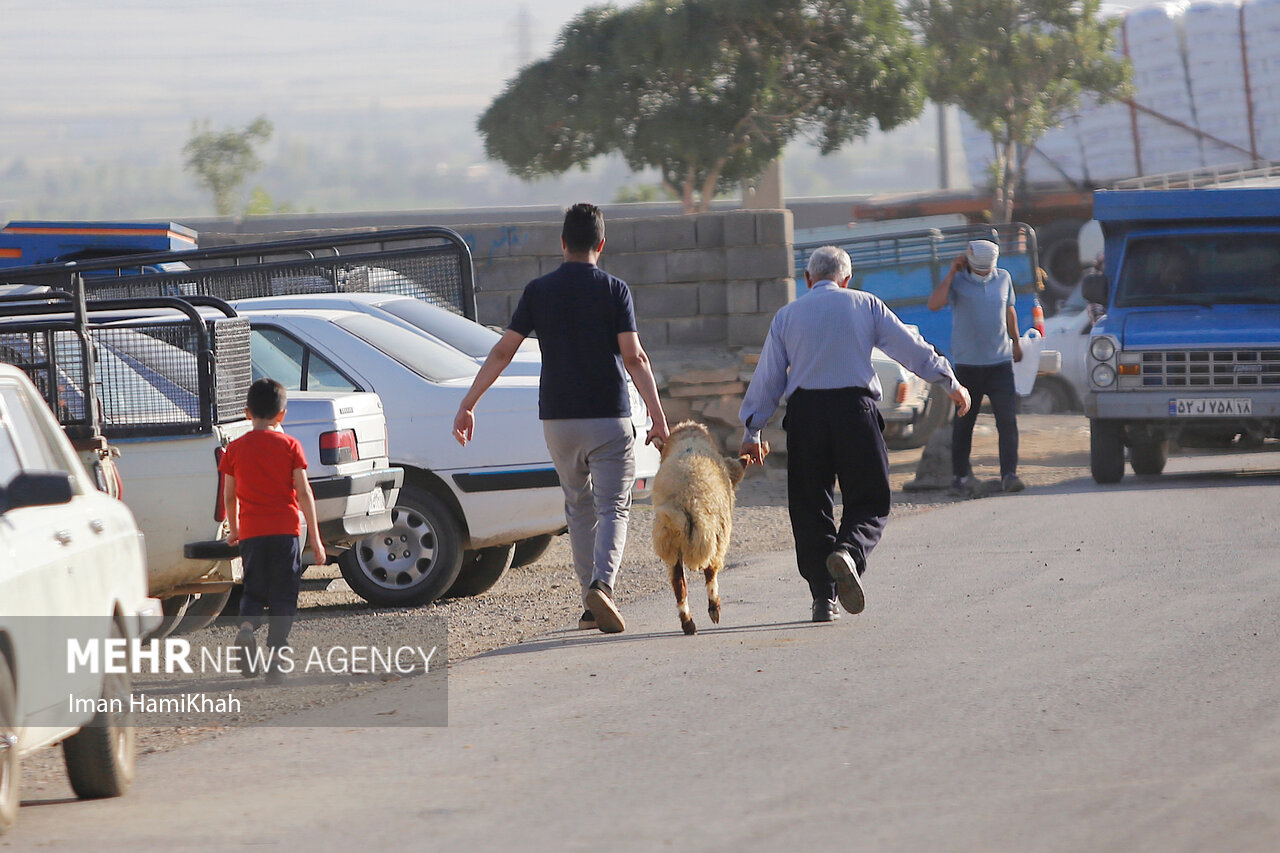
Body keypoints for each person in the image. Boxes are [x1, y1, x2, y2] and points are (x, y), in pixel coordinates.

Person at [453, 203, 669, 634]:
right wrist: (659, 420)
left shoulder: (538, 291)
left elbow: (502, 351)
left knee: (578, 507)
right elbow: (634, 356)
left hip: (558, 419)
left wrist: (469, 403)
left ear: (563, 243)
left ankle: (590, 605)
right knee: (614, 508)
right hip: (608, 416)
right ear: (601, 245)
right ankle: (602, 586)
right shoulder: (614, 290)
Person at [739, 245, 970, 622]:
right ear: (846, 280)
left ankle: (823, 599)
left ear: (808, 279)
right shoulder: (866, 304)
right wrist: (949, 381)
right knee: (870, 499)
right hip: (854, 413)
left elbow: (769, 378)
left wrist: (753, 429)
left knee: (810, 506)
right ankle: (848, 552)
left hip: (806, 417)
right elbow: (909, 349)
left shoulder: (787, 316)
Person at [221, 378, 326, 685]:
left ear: (246, 413)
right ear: (282, 415)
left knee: (254, 589)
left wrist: (235, 529)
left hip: (252, 533)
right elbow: (304, 493)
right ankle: (278, 655)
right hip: (285, 530)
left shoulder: (235, 449)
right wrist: (317, 541)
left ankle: (245, 630)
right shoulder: (291, 445)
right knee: (284, 594)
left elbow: (229, 495)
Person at [928, 239, 1026, 496]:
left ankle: (1009, 474)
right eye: (980, 269)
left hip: (999, 364)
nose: (984, 273)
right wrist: (951, 273)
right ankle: (960, 476)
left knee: (1007, 421)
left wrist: (1016, 342)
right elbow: (934, 304)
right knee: (964, 424)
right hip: (968, 365)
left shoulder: (1003, 278)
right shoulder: (957, 282)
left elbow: (1010, 310)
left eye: (987, 269)